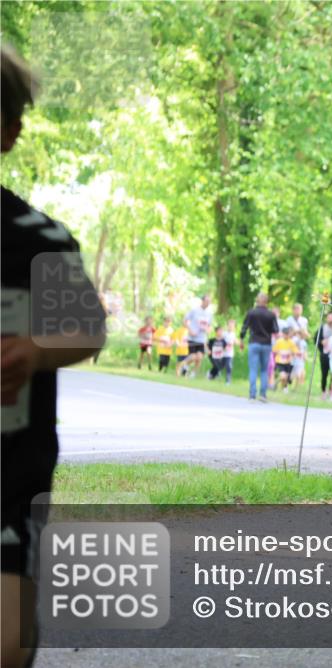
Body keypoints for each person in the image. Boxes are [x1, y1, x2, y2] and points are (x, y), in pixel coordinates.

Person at [2, 45, 107, 667]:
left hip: (8, 482)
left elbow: (86, 331)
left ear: (9, 132)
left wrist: (35, 352)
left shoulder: (37, 239)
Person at [240, 292, 280, 402]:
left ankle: (252, 395)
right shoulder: (271, 315)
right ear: (267, 302)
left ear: (257, 300)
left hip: (254, 342)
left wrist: (241, 339)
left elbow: (244, 327)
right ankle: (263, 394)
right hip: (266, 344)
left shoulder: (251, 313)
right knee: (264, 370)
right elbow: (276, 330)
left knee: (253, 369)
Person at [177, 294, 212, 378]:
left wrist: (208, 330)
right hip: (192, 337)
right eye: (206, 301)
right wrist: (190, 330)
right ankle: (182, 365)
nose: (208, 303)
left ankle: (192, 374)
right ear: (202, 301)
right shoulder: (194, 310)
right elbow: (185, 321)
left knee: (199, 357)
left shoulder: (209, 314)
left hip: (202, 339)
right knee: (193, 357)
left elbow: (209, 326)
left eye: (209, 302)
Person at [317, 312, 332, 400]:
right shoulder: (322, 328)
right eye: (329, 317)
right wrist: (321, 342)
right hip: (324, 354)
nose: (331, 319)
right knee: (324, 374)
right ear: (326, 319)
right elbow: (316, 340)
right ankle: (323, 391)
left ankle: (331, 391)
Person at [273, 328, 297, 393]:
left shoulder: (291, 342)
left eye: (287, 334)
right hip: (280, 361)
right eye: (285, 334)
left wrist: (291, 353)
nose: (286, 336)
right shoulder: (279, 341)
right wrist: (281, 352)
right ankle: (284, 387)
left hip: (288, 362)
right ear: (283, 334)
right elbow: (274, 350)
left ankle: (282, 385)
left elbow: (295, 351)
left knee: (286, 377)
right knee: (283, 376)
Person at [220, 318, 239, 384]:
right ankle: (212, 374)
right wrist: (224, 346)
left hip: (230, 354)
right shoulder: (224, 334)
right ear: (227, 326)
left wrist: (237, 342)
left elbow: (236, 342)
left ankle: (228, 380)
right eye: (229, 325)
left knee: (229, 366)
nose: (231, 327)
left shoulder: (233, 334)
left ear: (234, 327)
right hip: (223, 354)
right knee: (220, 366)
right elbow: (220, 341)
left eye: (232, 326)